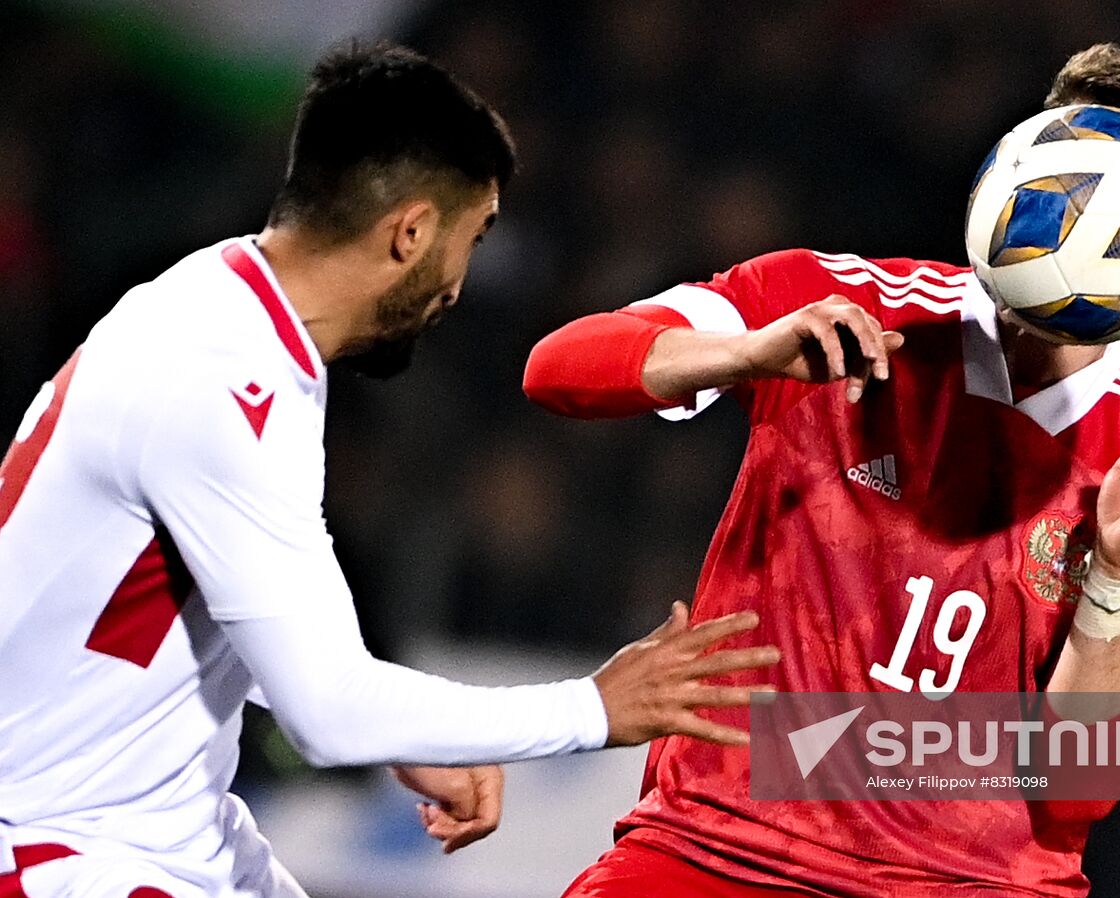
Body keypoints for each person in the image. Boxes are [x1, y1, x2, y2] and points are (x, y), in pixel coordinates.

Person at [0, 44, 778, 898]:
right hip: (68, 850)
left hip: (168, 829)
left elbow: (213, 612)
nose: (459, 283)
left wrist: (406, 734)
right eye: (472, 237)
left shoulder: (228, 312)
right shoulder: (225, 382)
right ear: (410, 231)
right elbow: (327, 711)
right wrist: (594, 707)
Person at [525, 43, 1120, 897]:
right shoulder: (836, 303)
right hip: (718, 847)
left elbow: (1079, 785)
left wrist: (1114, 577)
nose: (1084, 210)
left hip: (977, 883)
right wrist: (746, 352)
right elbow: (558, 370)